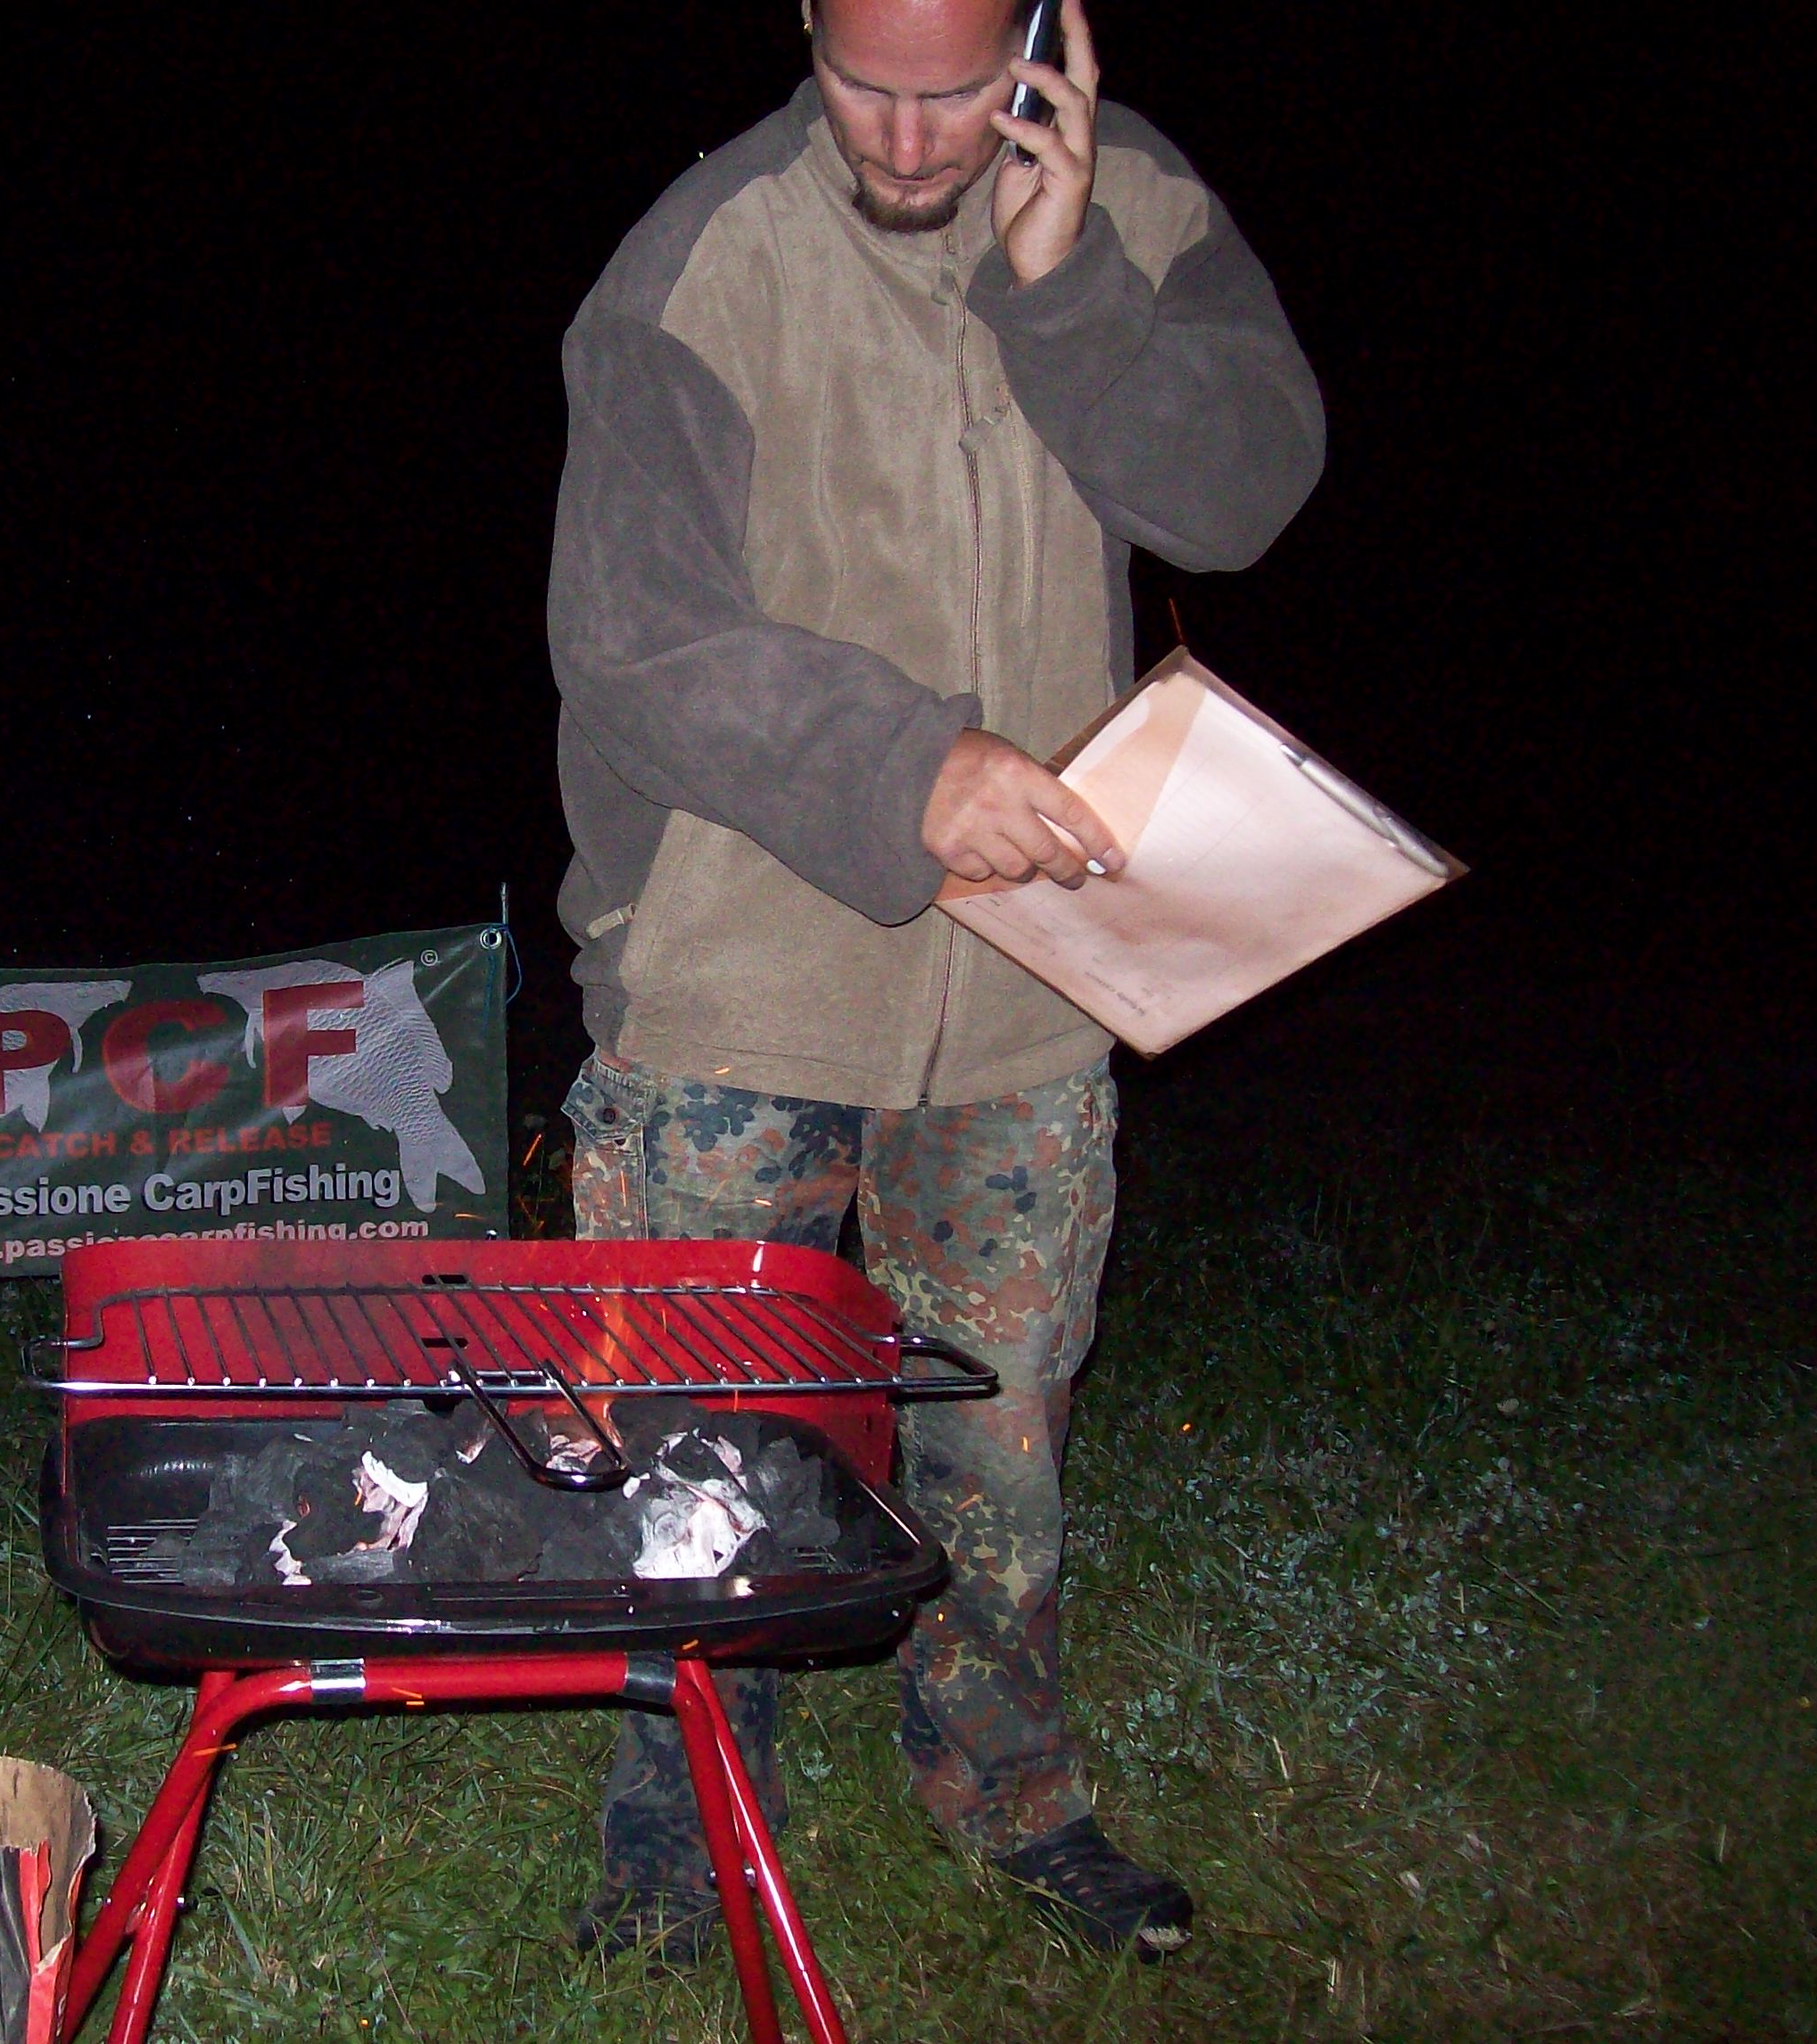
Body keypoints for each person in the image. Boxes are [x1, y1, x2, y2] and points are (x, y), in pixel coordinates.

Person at [547, 0, 1323, 1959]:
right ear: (806, 24)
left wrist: (1068, 300)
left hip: (1027, 992)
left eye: (959, 90)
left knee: (1001, 1440)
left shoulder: (1139, 207)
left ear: (1045, 41)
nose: (906, 140)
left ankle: (1008, 1791)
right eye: (864, 85)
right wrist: (905, 767)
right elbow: (629, 638)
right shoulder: (700, 262)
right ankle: (684, 1822)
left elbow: (1239, 495)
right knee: (699, 1444)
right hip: (734, 980)